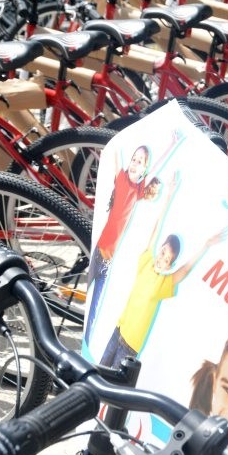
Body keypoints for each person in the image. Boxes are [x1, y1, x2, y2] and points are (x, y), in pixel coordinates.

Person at [98, 175, 227, 368]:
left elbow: (185, 269)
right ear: (160, 248)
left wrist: (206, 245)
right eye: (163, 252)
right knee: (98, 373)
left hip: (130, 346)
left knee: (112, 391)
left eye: (167, 260)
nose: (162, 259)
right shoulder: (146, 262)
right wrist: (168, 196)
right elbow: (156, 229)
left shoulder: (163, 284)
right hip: (118, 330)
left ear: (169, 266)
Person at [86, 134, 182, 343]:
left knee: (93, 312)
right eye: (134, 159)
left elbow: (156, 167)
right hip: (99, 253)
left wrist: (172, 143)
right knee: (87, 296)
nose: (135, 164)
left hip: (107, 262)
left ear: (144, 170)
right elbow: (115, 154)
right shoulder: (121, 179)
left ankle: (86, 343)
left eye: (140, 162)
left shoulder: (138, 190)